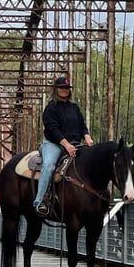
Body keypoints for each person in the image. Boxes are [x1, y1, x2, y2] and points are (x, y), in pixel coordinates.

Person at [33, 76, 94, 216]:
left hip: (75, 144)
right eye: (61, 87)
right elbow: (53, 129)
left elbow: (82, 125)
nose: (64, 90)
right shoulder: (50, 108)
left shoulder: (74, 108)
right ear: (55, 89)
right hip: (55, 144)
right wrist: (66, 144)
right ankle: (40, 201)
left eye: (67, 87)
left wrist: (87, 138)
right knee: (48, 165)